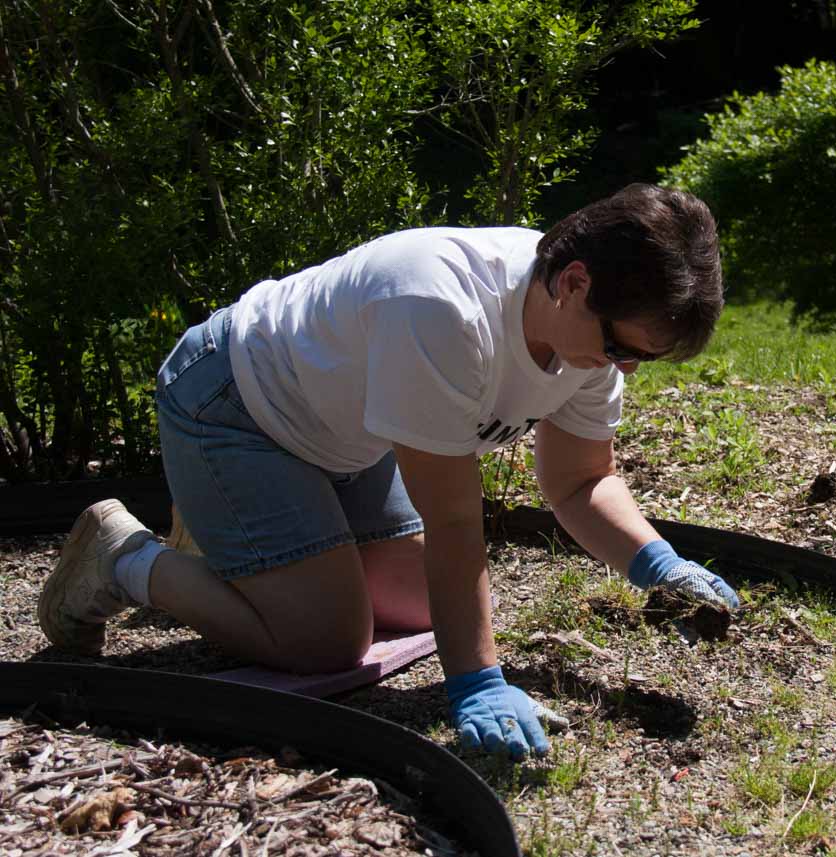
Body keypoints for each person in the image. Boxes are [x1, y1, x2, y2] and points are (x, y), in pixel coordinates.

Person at [38, 183, 740, 761]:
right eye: (623, 347)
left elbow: (580, 482)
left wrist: (657, 562)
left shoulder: (586, 338)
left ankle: (242, 544)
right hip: (231, 407)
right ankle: (123, 556)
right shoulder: (442, 311)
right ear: (574, 282)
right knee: (324, 640)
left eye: (641, 357)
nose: (625, 368)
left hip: (346, 435)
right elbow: (456, 519)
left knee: (413, 605)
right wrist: (476, 682)